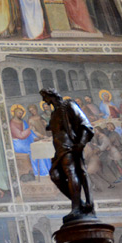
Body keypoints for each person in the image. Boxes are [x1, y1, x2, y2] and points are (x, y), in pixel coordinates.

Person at [40, 87, 95, 222]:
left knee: (71, 173)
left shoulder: (68, 105)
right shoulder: (54, 114)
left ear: (51, 95)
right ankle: (80, 204)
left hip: (69, 147)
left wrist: (80, 144)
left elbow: (85, 125)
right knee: (55, 176)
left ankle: (76, 208)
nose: (44, 100)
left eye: (45, 97)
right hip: (59, 149)